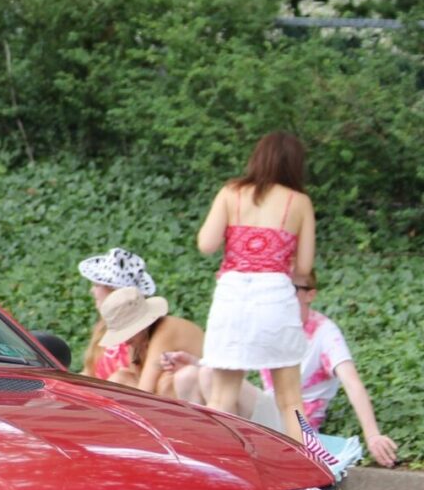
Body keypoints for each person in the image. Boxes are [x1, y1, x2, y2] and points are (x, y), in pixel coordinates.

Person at [174, 271, 399, 467]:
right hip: (269, 409)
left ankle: (224, 458)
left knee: (207, 375)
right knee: (186, 376)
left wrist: (372, 434)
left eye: (291, 288)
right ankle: (203, 456)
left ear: (310, 295)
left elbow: (352, 382)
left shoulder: (324, 332)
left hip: (295, 421)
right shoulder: (274, 323)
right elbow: (234, 371)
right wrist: (195, 361)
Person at [196, 132, 316, 441]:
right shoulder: (299, 202)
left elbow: (206, 244)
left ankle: (215, 466)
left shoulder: (230, 193)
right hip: (275, 298)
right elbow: (304, 268)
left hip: (232, 295)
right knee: (291, 402)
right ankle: (309, 464)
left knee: (220, 398)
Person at [94, 287, 205, 396]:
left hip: (200, 385)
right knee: (120, 378)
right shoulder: (138, 341)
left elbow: (145, 391)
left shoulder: (165, 330)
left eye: (128, 333)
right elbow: (138, 379)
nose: (125, 340)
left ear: (143, 325)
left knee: (165, 382)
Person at [78, 248, 158, 381]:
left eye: (96, 285)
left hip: (127, 393)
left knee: (119, 378)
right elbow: (88, 373)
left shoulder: (140, 333)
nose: (92, 290)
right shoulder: (103, 326)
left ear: (114, 291)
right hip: (99, 392)